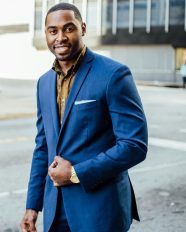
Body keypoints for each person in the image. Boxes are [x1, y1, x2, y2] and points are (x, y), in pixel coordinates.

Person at [20, 3, 148, 232]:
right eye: (53, 31)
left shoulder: (113, 74)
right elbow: (43, 148)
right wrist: (33, 205)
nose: (60, 37)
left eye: (68, 28)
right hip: (55, 210)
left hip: (99, 211)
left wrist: (76, 174)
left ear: (83, 29)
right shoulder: (44, 83)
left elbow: (134, 145)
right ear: (46, 34)